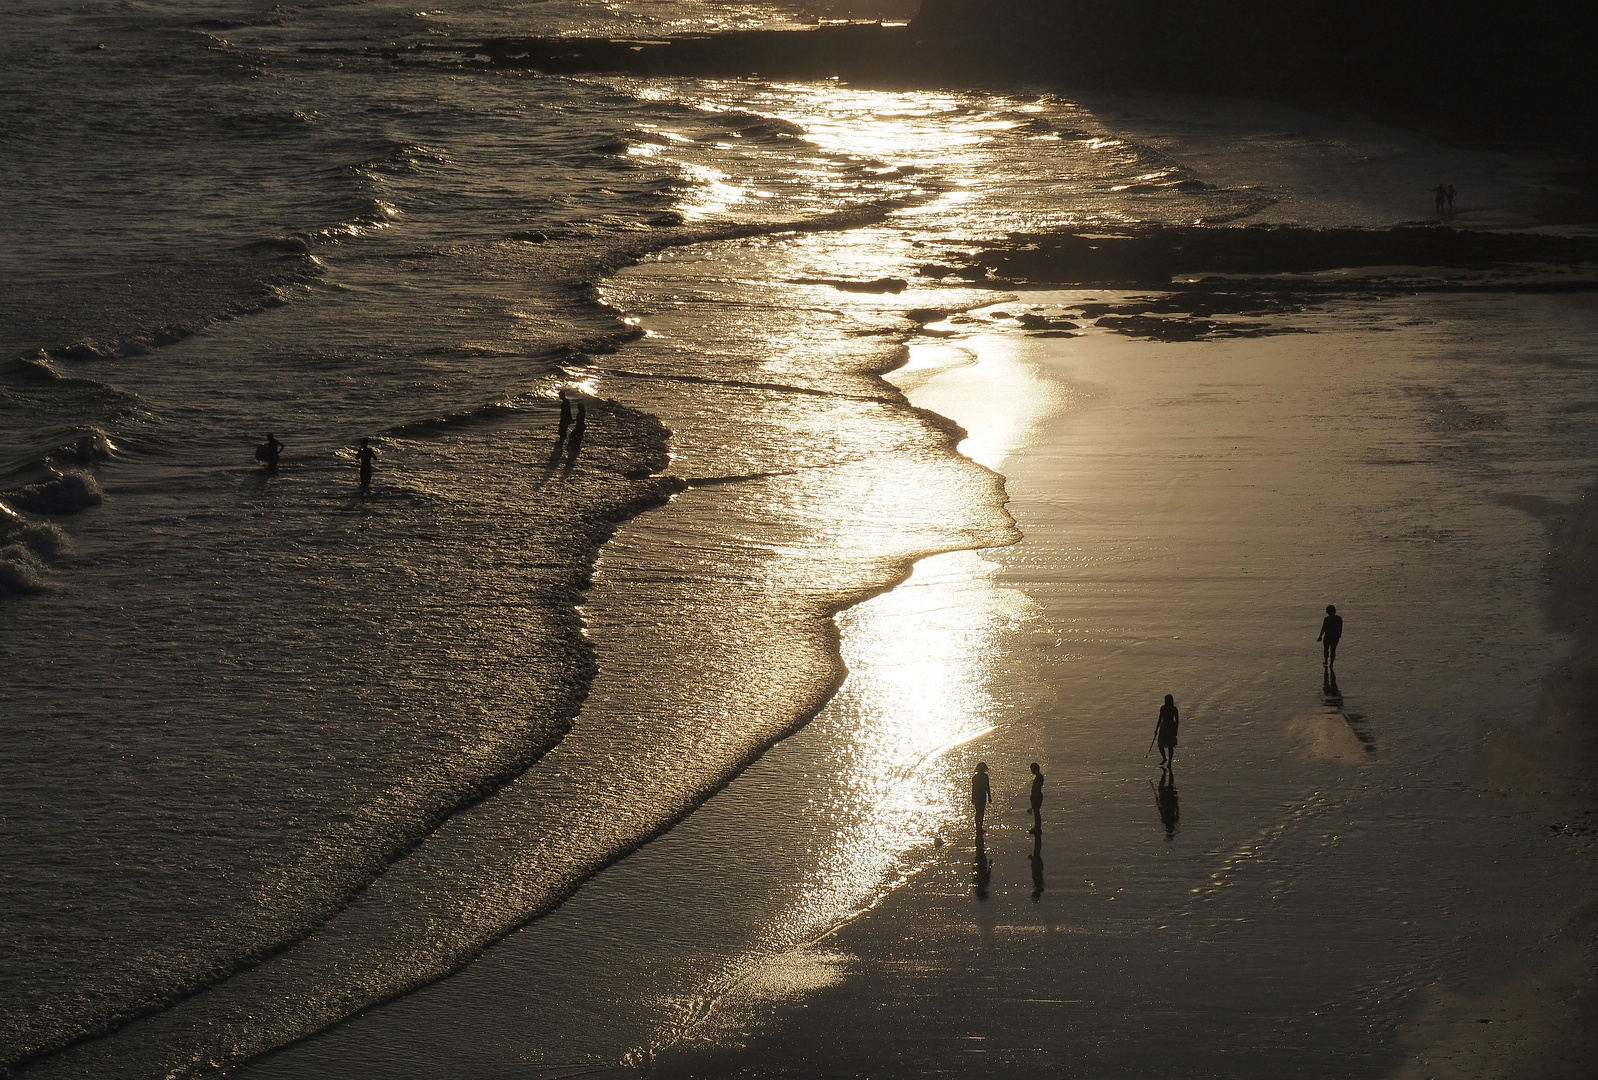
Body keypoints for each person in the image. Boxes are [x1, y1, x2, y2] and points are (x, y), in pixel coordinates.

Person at [1155, 694, 1179, 767]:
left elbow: (1177, 720)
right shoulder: (1163, 708)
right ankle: (1164, 758)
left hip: (1170, 726)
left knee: (1170, 745)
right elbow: (1160, 718)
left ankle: (1169, 762)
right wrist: (1156, 729)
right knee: (1160, 744)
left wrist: (1176, 730)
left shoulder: (1174, 709)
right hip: (1164, 726)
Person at [1318, 604, 1343, 669]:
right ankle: (1331, 663)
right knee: (1333, 650)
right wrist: (1339, 634)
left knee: (1326, 649)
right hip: (1335, 636)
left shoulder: (1326, 619)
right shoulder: (1339, 618)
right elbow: (1340, 628)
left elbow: (1323, 628)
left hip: (1327, 636)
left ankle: (1326, 661)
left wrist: (1320, 636)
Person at [971, 762, 992, 827]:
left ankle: (978, 825)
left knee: (978, 811)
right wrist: (989, 797)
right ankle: (980, 826)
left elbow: (973, 789)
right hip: (982, 796)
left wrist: (973, 798)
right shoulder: (985, 777)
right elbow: (987, 787)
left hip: (977, 796)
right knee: (981, 811)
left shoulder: (975, 777)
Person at [1028, 761, 1044, 834]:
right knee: (1036, 812)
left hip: (1037, 796)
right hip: (1037, 796)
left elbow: (1036, 789)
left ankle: (1037, 828)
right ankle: (1037, 827)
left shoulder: (1039, 778)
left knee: (1036, 813)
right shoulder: (1039, 777)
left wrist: (1034, 798)